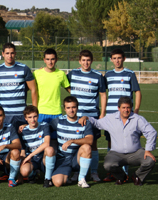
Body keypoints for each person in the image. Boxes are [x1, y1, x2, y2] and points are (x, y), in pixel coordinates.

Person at [79, 97, 156, 186]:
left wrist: (148, 150)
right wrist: (86, 117)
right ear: (118, 108)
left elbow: (151, 132)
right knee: (108, 165)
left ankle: (137, 176)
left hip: (136, 152)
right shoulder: (111, 118)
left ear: (131, 108)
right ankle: (122, 177)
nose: (126, 110)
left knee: (150, 161)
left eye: (128, 107)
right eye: (123, 107)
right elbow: (97, 123)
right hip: (116, 153)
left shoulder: (138, 119)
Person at [66, 50, 107, 182]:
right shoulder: (72, 73)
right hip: (75, 116)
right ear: (79, 61)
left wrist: (102, 114)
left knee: (93, 144)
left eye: (88, 60)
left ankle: (94, 172)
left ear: (92, 61)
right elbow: (65, 85)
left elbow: (102, 94)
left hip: (92, 116)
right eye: (83, 60)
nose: (86, 63)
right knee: (77, 144)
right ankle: (77, 172)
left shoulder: (97, 76)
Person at [103, 48, 141, 180]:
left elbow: (137, 92)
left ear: (123, 58)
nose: (117, 60)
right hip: (111, 115)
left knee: (126, 141)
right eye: (114, 58)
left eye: (119, 58)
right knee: (110, 142)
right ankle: (113, 172)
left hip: (126, 115)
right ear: (111, 59)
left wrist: (136, 110)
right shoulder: (107, 75)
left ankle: (124, 172)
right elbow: (102, 93)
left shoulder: (130, 74)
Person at [0, 43, 37, 132]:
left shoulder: (24, 68)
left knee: (23, 142)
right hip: (5, 115)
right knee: (6, 142)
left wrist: (34, 111)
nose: (9, 56)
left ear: (15, 53)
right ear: (3, 54)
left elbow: (33, 89)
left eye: (12, 53)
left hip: (21, 114)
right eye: (7, 53)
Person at [50, 96, 93, 188]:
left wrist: (72, 141)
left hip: (76, 158)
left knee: (87, 147)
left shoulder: (84, 122)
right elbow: (42, 130)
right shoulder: (58, 121)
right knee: (58, 183)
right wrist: (26, 126)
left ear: (77, 108)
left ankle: (81, 178)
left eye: (73, 107)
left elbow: (90, 140)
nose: (71, 110)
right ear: (64, 109)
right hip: (62, 159)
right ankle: (69, 174)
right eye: (68, 108)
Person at [33, 48, 70, 146]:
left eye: (52, 59)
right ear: (44, 60)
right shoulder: (37, 74)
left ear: (56, 59)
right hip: (41, 113)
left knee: (55, 143)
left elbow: (70, 90)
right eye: (48, 59)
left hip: (56, 113)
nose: (50, 62)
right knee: (39, 142)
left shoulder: (61, 74)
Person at [19, 105, 55, 187]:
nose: (33, 120)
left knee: (49, 149)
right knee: (24, 171)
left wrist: (31, 155)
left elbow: (46, 143)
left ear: (38, 116)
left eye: (35, 116)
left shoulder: (44, 126)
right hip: (32, 160)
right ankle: (33, 174)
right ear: (25, 118)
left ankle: (47, 179)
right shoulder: (23, 131)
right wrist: (20, 174)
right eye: (30, 117)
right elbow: (23, 151)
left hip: (44, 158)